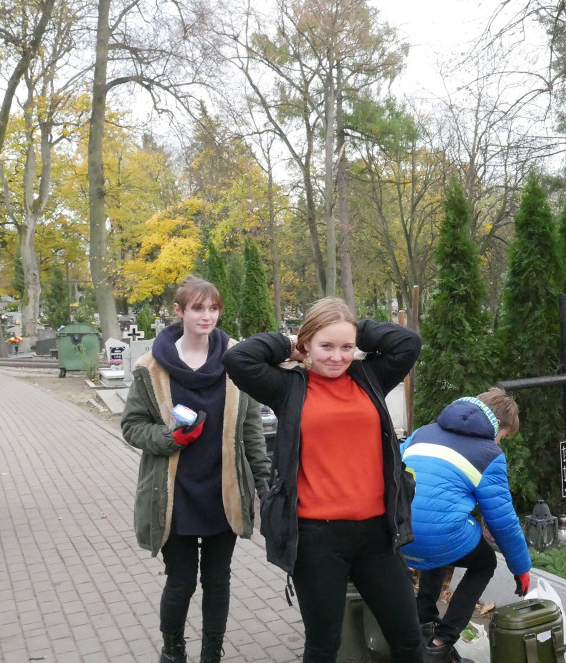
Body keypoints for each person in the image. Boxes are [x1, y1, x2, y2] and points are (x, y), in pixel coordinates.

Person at [222, 297, 423, 663]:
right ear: (307, 345)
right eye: (326, 346)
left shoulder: (371, 377)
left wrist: (353, 327)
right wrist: (289, 342)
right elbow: (238, 358)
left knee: (408, 640)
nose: (337, 356)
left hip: (377, 534)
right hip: (316, 539)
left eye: (346, 347)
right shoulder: (287, 387)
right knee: (323, 646)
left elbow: (408, 343)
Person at [121, 276, 270, 663]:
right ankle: (173, 651)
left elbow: (251, 430)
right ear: (179, 311)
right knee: (182, 581)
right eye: (198, 308)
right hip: (174, 493)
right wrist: (172, 438)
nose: (207, 316)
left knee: (218, 580)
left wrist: (266, 485)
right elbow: (132, 426)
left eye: (213, 308)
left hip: (225, 491)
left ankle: (211, 653)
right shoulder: (150, 366)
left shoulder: (237, 361)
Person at [401, 387, 532, 663]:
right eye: (503, 436)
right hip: (434, 537)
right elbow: (504, 522)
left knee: (442, 543)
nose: (500, 441)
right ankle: (440, 642)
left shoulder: (421, 432)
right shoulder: (489, 453)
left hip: (400, 534)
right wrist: (521, 569)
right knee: (484, 562)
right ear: (497, 425)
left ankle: (422, 625)